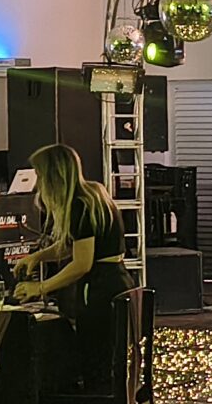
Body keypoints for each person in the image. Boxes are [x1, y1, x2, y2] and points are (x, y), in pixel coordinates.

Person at [12, 144, 128, 379]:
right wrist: (37, 256)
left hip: (100, 290)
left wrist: (41, 287)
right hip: (117, 281)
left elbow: (81, 263)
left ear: (52, 177)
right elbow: (73, 245)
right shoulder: (94, 193)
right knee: (110, 362)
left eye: (40, 176)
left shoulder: (79, 205)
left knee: (95, 362)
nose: (38, 184)